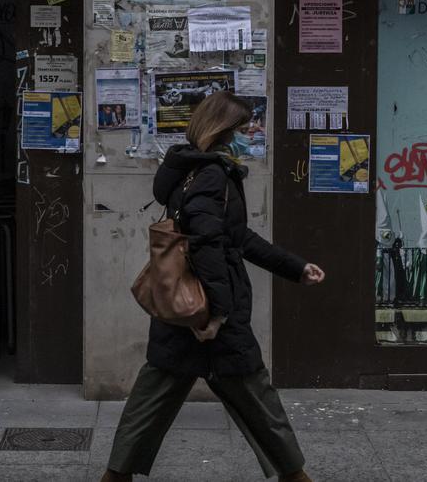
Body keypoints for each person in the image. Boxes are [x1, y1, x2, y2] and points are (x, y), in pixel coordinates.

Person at [102, 91, 325, 482]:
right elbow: (207, 246)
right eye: (246, 126)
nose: (253, 131)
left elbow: (234, 237)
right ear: (224, 130)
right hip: (210, 312)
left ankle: (115, 477)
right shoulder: (211, 176)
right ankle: (297, 477)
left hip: (184, 307)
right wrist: (218, 313)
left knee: (152, 400)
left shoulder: (193, 171)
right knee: (257, 397)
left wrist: (295, 267)